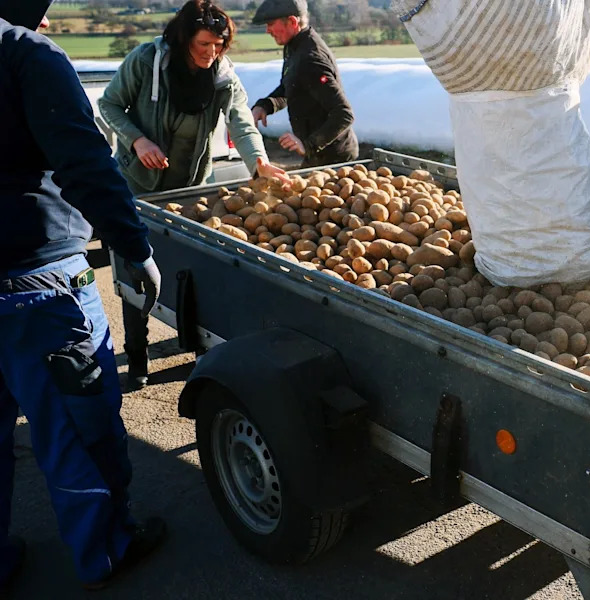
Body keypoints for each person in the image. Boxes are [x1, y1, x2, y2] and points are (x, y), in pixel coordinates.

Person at [0, 0, 166, 591]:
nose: (42, 19)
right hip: (36, 282)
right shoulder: (23, 53)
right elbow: (84, 160)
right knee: (78, 428)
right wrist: (133, 245)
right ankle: (107, 551)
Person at [98, 0, 291, 391]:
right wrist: (138, 141)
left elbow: (241, 119)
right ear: (184, 38)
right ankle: (137, 355)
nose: (211, 53)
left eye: (219, 45)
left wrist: (260, 164)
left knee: (193, 271)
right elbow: (109, 105)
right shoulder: (147, 62)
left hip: (192, 188)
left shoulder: (221, 74)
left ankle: (203, 352)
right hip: (139, 187)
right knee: (137, 271)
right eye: (204, 44)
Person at [251, 0, 359, 168]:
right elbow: (291, 87)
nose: (267, 30)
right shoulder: (293, 46)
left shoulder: (311, 58)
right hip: (316, 155)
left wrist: (308, 145)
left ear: (293, 22)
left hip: (334, 160)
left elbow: (343, 114)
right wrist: (265, 106)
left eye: (271, 24)